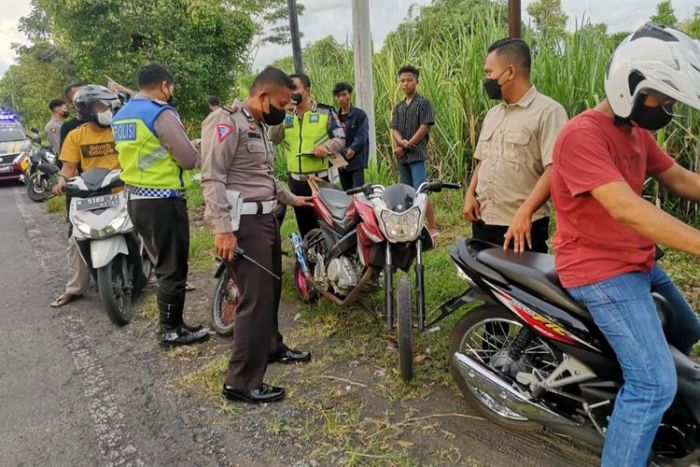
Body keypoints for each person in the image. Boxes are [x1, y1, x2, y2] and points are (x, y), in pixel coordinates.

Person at [550, 24, 700, 467]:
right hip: (600, 271)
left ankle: (651, 408)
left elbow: (678, 180)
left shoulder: (637, 133)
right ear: (630, 86)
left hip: (635, 261)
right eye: (664, 99)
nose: (668, 110)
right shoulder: (582, 135)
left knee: (689, 331)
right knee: (654, 382)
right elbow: (625, 208)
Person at [201, 67, 312, 404]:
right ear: (263, 97)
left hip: (266, 221)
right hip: (243, 225)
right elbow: (213, 177)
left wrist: (292, 199)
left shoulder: (258, 127)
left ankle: (271, 347)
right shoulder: (226, 122)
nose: (284, 109)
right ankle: (241, 381)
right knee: (254, 300)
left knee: (271, 290)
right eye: (281, 103)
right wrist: (222, 228)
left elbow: (262, 177)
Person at [111, 62, 208, 348]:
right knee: (172, 267)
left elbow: (146, 150)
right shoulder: (159, 112)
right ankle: (170, 330)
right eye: (171, 87)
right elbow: (188, 160)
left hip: (136, 199)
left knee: (163, 263)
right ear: (164, 85)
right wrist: (194, 148)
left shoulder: (122, 115)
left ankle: (173, 324)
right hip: (163, 199)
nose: (171, 92)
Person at [463, 38, 568, 253]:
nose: (486, 79)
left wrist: (526, 211)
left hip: (522, 227)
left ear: (510, 72)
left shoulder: (548, 112)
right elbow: (484, 159)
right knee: (485, 284)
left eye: (489, 72)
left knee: (518, 286)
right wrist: (470, 193)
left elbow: (555, 168)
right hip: (484, 221)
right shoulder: (493, 114)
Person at [50, 85, 122, 308]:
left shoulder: (120, 129)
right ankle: (75, 288)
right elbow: (69, 167)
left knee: (147, 227)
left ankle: (166, 278)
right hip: (91, 194)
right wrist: (62, 181)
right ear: (88, 110)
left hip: (122, 191)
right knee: (76, 239)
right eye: (102, 106)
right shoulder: (75, 136)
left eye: (108, 106)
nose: (107, 110)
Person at [269, 73, 345, 238]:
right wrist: (281, 114)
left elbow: (341, 138)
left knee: (328, 226)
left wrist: (327, 146)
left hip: (321, 180)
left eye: (294, 88)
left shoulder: (326, 112)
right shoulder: (286, 115)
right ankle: (310, 260)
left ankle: (331, 261)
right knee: (306, 228)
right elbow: (273, 138)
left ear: (307, 90)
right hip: (297, 182)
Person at [390, 65, 438, 235]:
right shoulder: (399, 106)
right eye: (402, 81)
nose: (406, 83)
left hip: (417, 154)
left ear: (417, 81)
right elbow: (394, 128)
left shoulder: (423, 103)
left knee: (421, 190)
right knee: (406, 192)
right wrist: (401, 142)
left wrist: (408, 144)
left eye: (409, 80)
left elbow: (424, 127)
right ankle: (410, 226)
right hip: (402, 157)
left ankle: (432, 227)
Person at [332, 82, 369, 190]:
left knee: (358, 194)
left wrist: (352, 149)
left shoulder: (360, 115)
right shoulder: (334, 118)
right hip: (340, 162)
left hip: (356, 161)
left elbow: (362, 136)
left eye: (344, 95)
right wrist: (343, 152)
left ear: (350, 94)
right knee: (346, 194)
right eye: (338, 96)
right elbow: (332, 137)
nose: (341, 98)